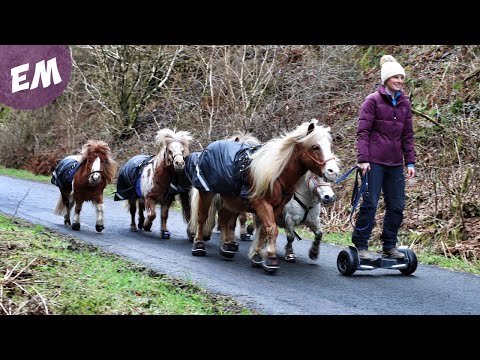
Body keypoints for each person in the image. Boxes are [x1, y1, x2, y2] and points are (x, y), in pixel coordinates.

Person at [352, 54, 416, 261]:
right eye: (395, 77)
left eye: (402, 77)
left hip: (396, 163)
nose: (399, 81)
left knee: (397, 206)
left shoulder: (405, 103)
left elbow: (407, 135)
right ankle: (361, 245)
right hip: (374, 163)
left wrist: (411, 161)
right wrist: (363, 159)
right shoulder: (372, 101)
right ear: (386, 79)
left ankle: (389, 245)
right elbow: (363, 133)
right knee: (370, 204)